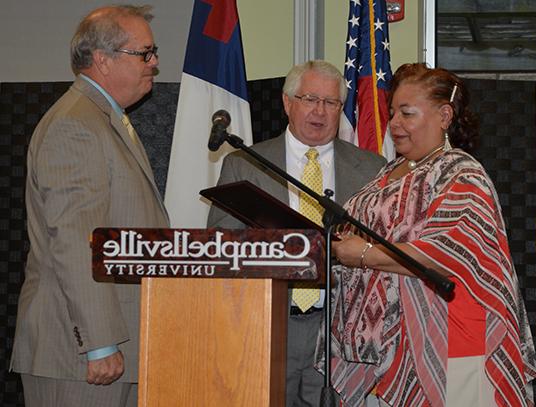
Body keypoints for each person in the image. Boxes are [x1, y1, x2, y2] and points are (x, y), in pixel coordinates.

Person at [328, 63, 536, 406]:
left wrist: (362, 254)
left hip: (448, 341)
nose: (394, 123)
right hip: (377, 351)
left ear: (444, 115)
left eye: (407, 113)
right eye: (392, 112)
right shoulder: (387, 173)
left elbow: (445, 254)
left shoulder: (461, 172)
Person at [10, 5, 169, 407]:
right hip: (78, 354)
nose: (155, 62)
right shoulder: (76, 124)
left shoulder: (104, 119)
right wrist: (99, 344)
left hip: (115, 348)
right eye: (144, 53)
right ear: (103, 60)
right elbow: (78, 242)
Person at [207, 60, 386, 406]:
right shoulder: (245, 164)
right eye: (309, 99)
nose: (320, 111)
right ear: (288, 103)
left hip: (340, 333)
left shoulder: (372, 170)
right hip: (268, 327)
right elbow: (220, 251)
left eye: (331, 103)